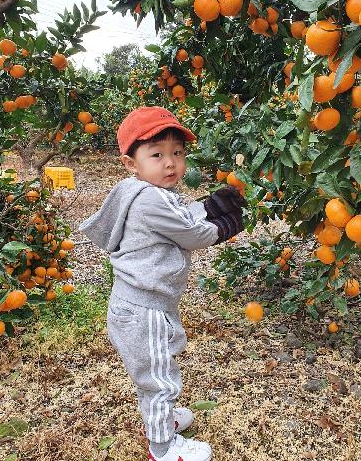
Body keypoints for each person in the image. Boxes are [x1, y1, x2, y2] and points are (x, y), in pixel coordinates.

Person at [79, 106, 246, 461]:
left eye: (177, 153)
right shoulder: (148, 200)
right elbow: (189, 232)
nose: (170, 163)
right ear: (131, 163)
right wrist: (223, 225)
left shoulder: (145, 190)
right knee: (158, 379)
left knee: (158, 368)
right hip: (143, 310)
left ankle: (162, 421)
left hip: (142, 305)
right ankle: (163, 448)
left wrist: (209, 205)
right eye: (157, 155)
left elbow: (182, 214)